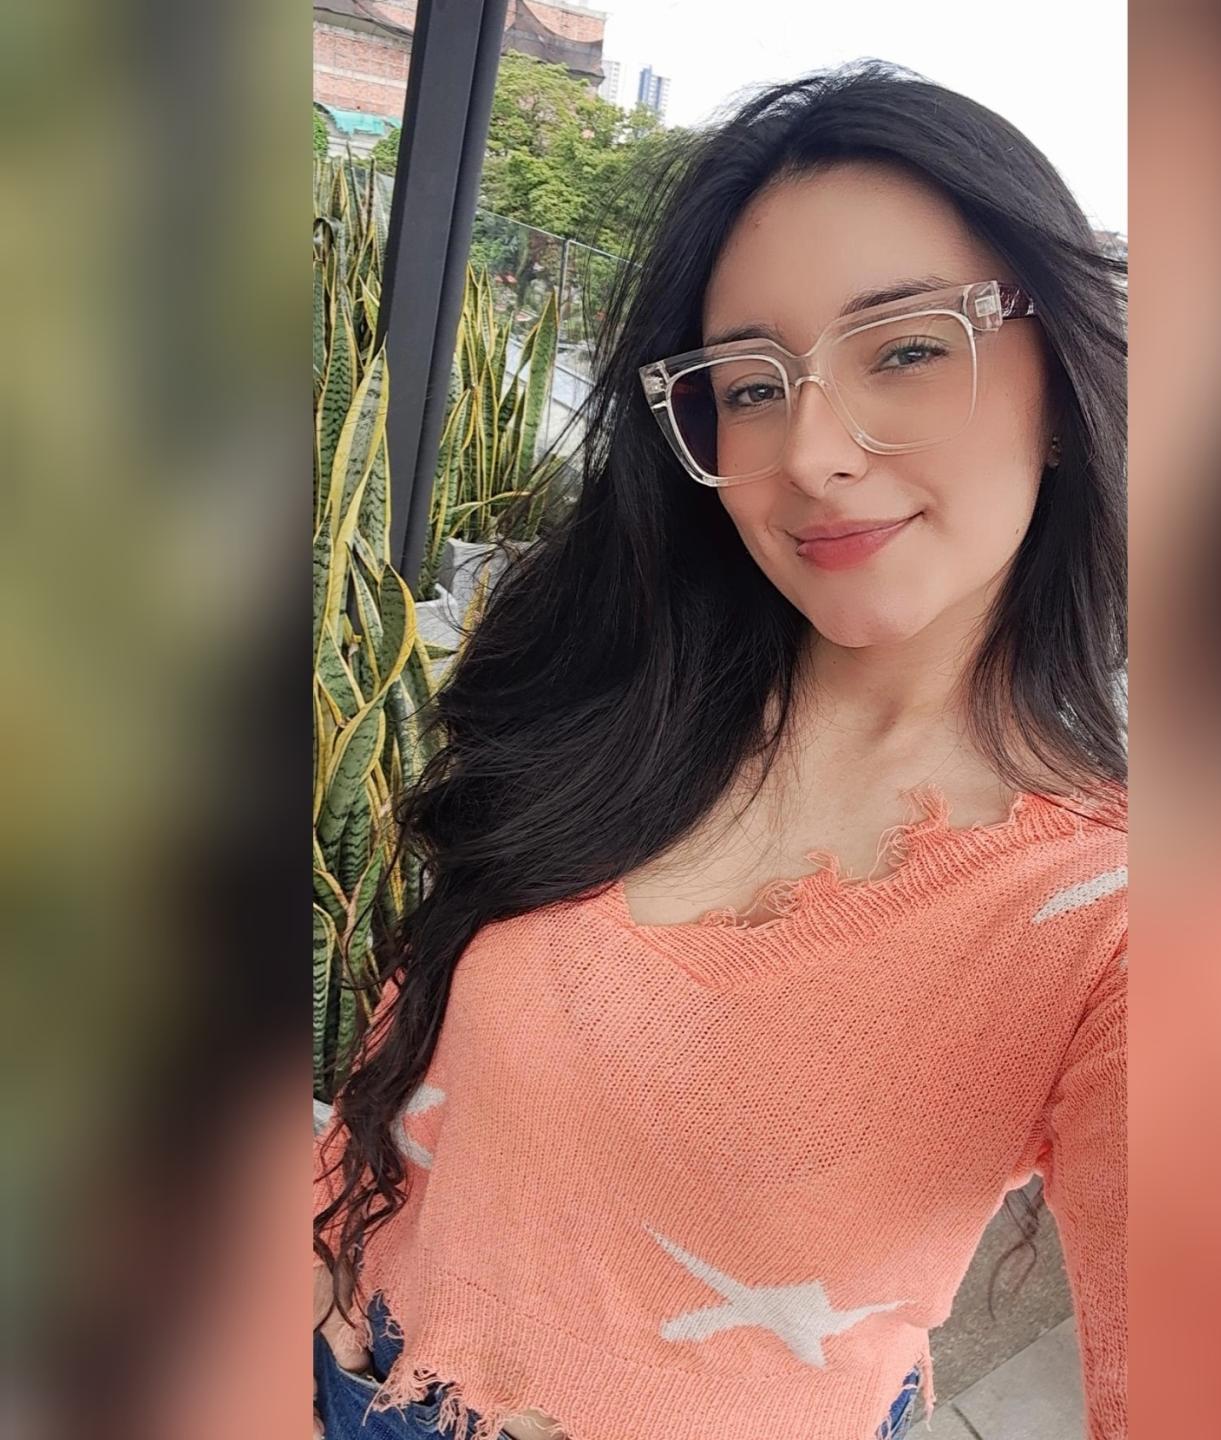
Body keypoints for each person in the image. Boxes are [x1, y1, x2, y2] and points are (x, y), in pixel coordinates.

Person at [314, 59, 1127, 1440]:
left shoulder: (1114, 914)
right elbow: (417, 1041)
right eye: (749, 385)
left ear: (1061, 384)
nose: (809, 453)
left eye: (908, 350)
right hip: (355, 1360)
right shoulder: (621, 686)